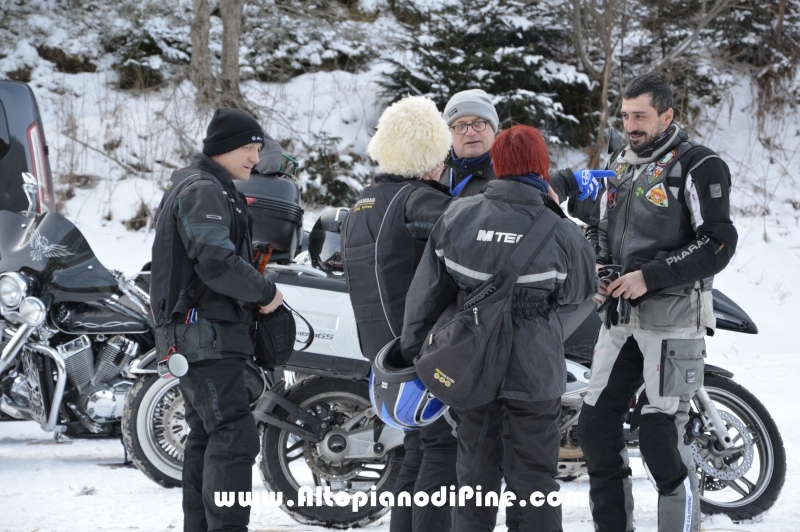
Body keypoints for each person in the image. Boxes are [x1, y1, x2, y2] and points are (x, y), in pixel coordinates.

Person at [549, 75, 738, 532]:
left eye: (641, 116)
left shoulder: (699, 165)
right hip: (620, 321)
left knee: (659, 438)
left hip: (675, 322)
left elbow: (718, 242)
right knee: (595, 429)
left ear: (667, 116)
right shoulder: (619, 163)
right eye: (626, 115)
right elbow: (596, 226)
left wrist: (648, 277)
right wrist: (597, 263)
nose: (630, 125)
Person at [402, 125, 598, 532]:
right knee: (535, 483)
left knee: (473, 481)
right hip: (537, 371)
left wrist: (415, 354)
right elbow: (580, 292)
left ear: (499, 163)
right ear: (542, 167)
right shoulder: (561, 232)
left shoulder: (457, 215)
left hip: (471, 365)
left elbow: (425, 296)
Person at [150, 108, 284, 532]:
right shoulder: (203, 189)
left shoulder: (209, 186)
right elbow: (216, 262)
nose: (255, 159)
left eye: (258, 149)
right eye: (248, 148)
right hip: (204, 336)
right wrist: (266, 294)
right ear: (224, 147)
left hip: (202, 336)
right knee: (233, 435)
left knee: (208, 435)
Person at [341, 95, 458, 532]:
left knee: (416, 448)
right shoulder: (417, 201)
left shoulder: (363, 202)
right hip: (421, 348)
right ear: (427, 157)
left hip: (381, 350)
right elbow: (468, 233)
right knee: (442, 448)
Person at [439, 89, 498, 197]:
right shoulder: (435, 174)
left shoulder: (510, 176)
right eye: (460, 126)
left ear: (493, 128)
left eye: (478, 123)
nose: (470, 133)